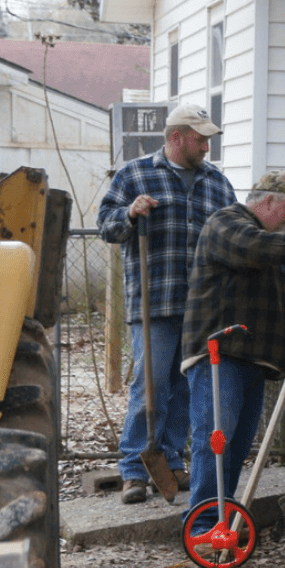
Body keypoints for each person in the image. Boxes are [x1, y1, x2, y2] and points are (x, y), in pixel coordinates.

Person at [178, 170, 285, 528]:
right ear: (268, 200)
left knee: (235, 447)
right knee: (216, 442)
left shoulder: (276, 245)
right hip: (219, 356)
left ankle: (220, 519)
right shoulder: (226, 223)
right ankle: (204, 528)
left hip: (254, 360)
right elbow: (250, 248)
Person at [98, 104, 236, 504]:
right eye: (200, 139)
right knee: (152, 387)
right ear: (176, 138)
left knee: (186, 388)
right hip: (154, 302)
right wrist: (129, 212)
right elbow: (107, 226)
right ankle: (133, 468)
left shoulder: (217, 183)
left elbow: (232, 231)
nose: (206, 147)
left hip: (202, 307)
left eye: (208, 139)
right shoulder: (136, 174)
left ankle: (172, 459)